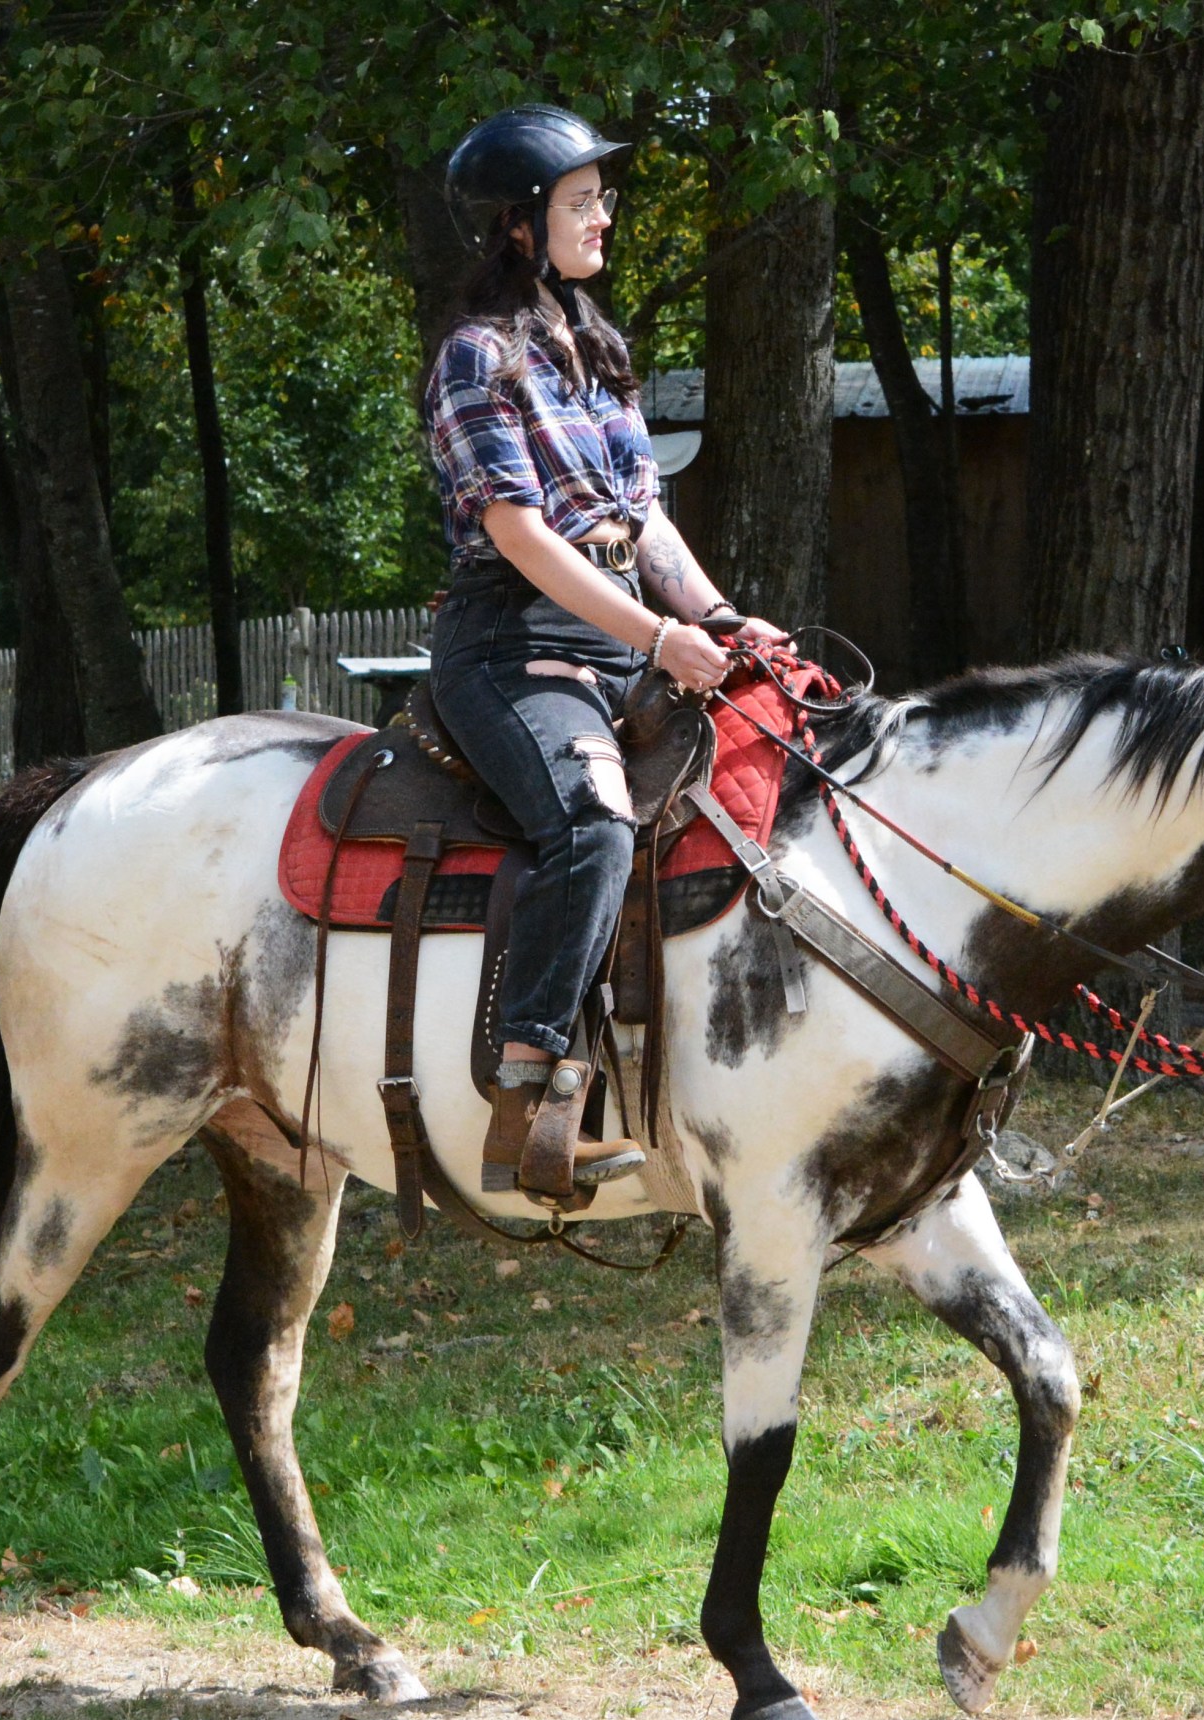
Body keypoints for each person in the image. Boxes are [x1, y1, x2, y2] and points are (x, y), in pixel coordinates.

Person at [421, 103, 787, 1196]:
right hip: (512, 647)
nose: (604, 220)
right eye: (583, 203)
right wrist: (661, 636)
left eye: (602, 199)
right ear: (521, 225)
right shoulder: (474, 358)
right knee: (592, 824)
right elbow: (521, 536)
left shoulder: (596, 350)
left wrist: (721, 624)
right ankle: (527, 1093)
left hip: (625, 636)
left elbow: (647, 522)